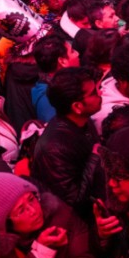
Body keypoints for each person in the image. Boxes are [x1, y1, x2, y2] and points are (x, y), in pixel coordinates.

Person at [31, 67, 103, 218]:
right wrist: (95, 159)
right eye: (94, 93)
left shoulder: (83, 121)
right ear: (77, 107)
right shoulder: (54, 148)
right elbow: (74, 201)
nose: (100, 94)